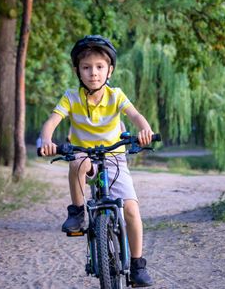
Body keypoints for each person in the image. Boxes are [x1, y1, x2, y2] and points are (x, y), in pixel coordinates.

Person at [40, 35, 154, 287]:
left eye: (100, 67)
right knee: (77, 163)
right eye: (86, 67)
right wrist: (46, 140)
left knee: (132, 210)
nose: (93, 73)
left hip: (114, 158)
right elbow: (52, 121)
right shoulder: (71, 97)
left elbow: (135, 115)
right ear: (77, 71)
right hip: (85, 156)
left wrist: (145, 130)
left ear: (109, 69)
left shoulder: (116, 96)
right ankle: (78, 212)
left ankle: (137, 264)